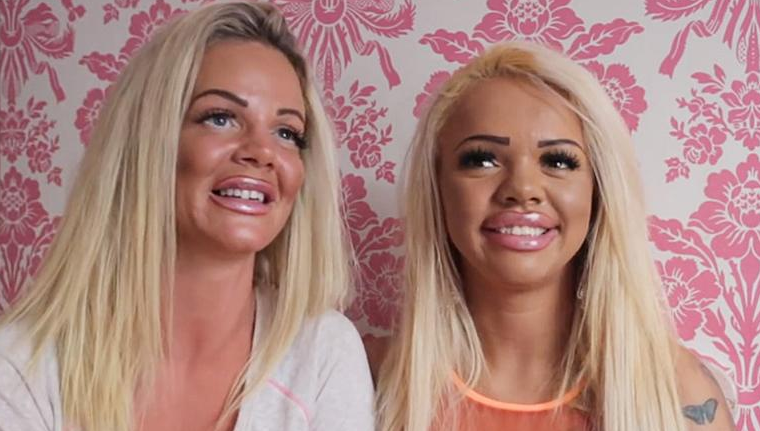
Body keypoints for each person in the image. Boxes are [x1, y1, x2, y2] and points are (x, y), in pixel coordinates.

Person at [0, 3, 374, 431]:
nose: (262, 152)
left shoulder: (322, 353)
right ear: (147, 141)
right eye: (221, 117)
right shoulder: (25, 364)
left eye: (287, 133)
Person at [375, 41, 736, 431]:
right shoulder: (368, 380)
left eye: (558, 161)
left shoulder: (678, 393)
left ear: (598, 191)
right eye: (482, 159)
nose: (523, 188)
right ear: (437, 187)